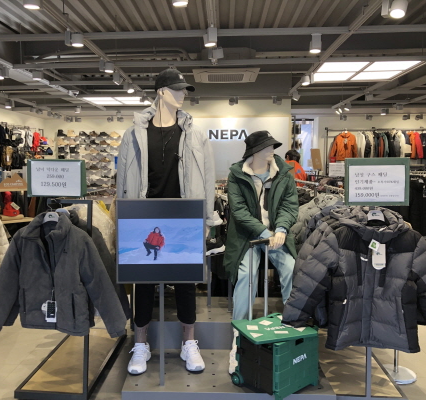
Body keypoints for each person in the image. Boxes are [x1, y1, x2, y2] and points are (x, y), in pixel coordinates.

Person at [117, 68, 215, 375]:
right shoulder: (133, 134)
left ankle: (189, 343)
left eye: (184, 90)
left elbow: (208, 178)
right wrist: (123, 220)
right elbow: (122, 181)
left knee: (186, 282)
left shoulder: (195, 134)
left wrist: (206, 218)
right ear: (161, 92)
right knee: (143, 283)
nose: (183, 94)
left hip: (184, 216)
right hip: (144, 215)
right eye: (177, 89)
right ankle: (141, 344)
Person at [223, 130, 299, 374]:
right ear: (254, 151)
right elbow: (239, 211)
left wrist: (282, 229)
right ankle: (239, 334)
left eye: (272, 146)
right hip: (247, 236)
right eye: (267, 147)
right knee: (246, 276)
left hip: (277, 234)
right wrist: (263, 232)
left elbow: (290, 205)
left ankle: (293, 325)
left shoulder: (283, 173)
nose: (272, 151)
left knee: (291, 269)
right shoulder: (237, 175)